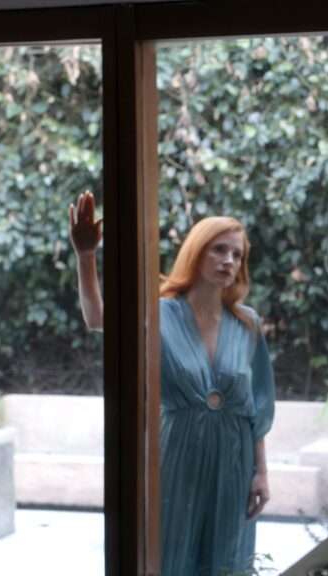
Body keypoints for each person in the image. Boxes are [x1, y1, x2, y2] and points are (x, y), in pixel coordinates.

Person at [69, 196, 275, 575]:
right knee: (169, 556)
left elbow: (257, 406)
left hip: (234, 460)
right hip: (176, 454)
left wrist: (261, 472)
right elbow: (97, 318)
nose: (229, 261)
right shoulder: (158, 312)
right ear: (196, 252)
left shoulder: (247, 324)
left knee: (228, 562)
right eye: (219, 250)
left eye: (237, 255)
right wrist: (86, 256)